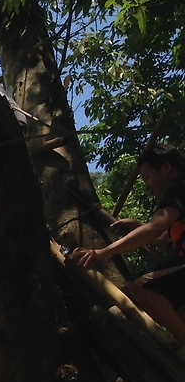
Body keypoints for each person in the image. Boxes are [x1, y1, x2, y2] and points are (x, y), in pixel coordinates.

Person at [72, 144, 185, 346]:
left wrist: (101, 252)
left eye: (147, 177)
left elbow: (155, 229)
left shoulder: (176, 189)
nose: (147, 186)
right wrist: (136, 226)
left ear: (167, 167)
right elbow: (163, 240)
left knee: (139, 285)